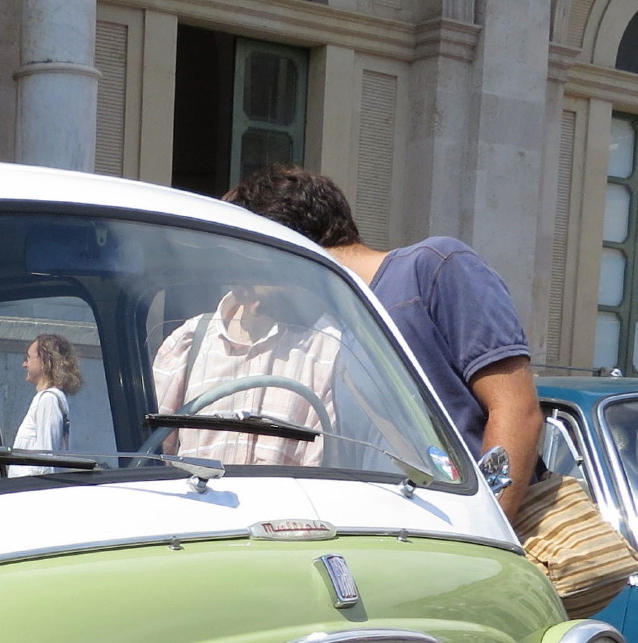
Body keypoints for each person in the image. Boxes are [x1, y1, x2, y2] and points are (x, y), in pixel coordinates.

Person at [227, 165, 541, 517]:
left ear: (287, 250)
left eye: (250, 274)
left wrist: (488, 534)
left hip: (464, 545)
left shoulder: (434, 268)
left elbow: (518, 411)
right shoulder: (342, 327)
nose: (251, 302)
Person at [150, 281, 340, 469]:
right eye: (246, 287)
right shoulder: (190, 341)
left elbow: (322, 472)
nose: (254, 302)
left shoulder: (327, 351)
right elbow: (151, 453)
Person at [11, 334, 80, 475]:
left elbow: (45, 461)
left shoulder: (49, 400)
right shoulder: (47, 399)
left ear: (45, 361)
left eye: (28, 358)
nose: (24, 364)